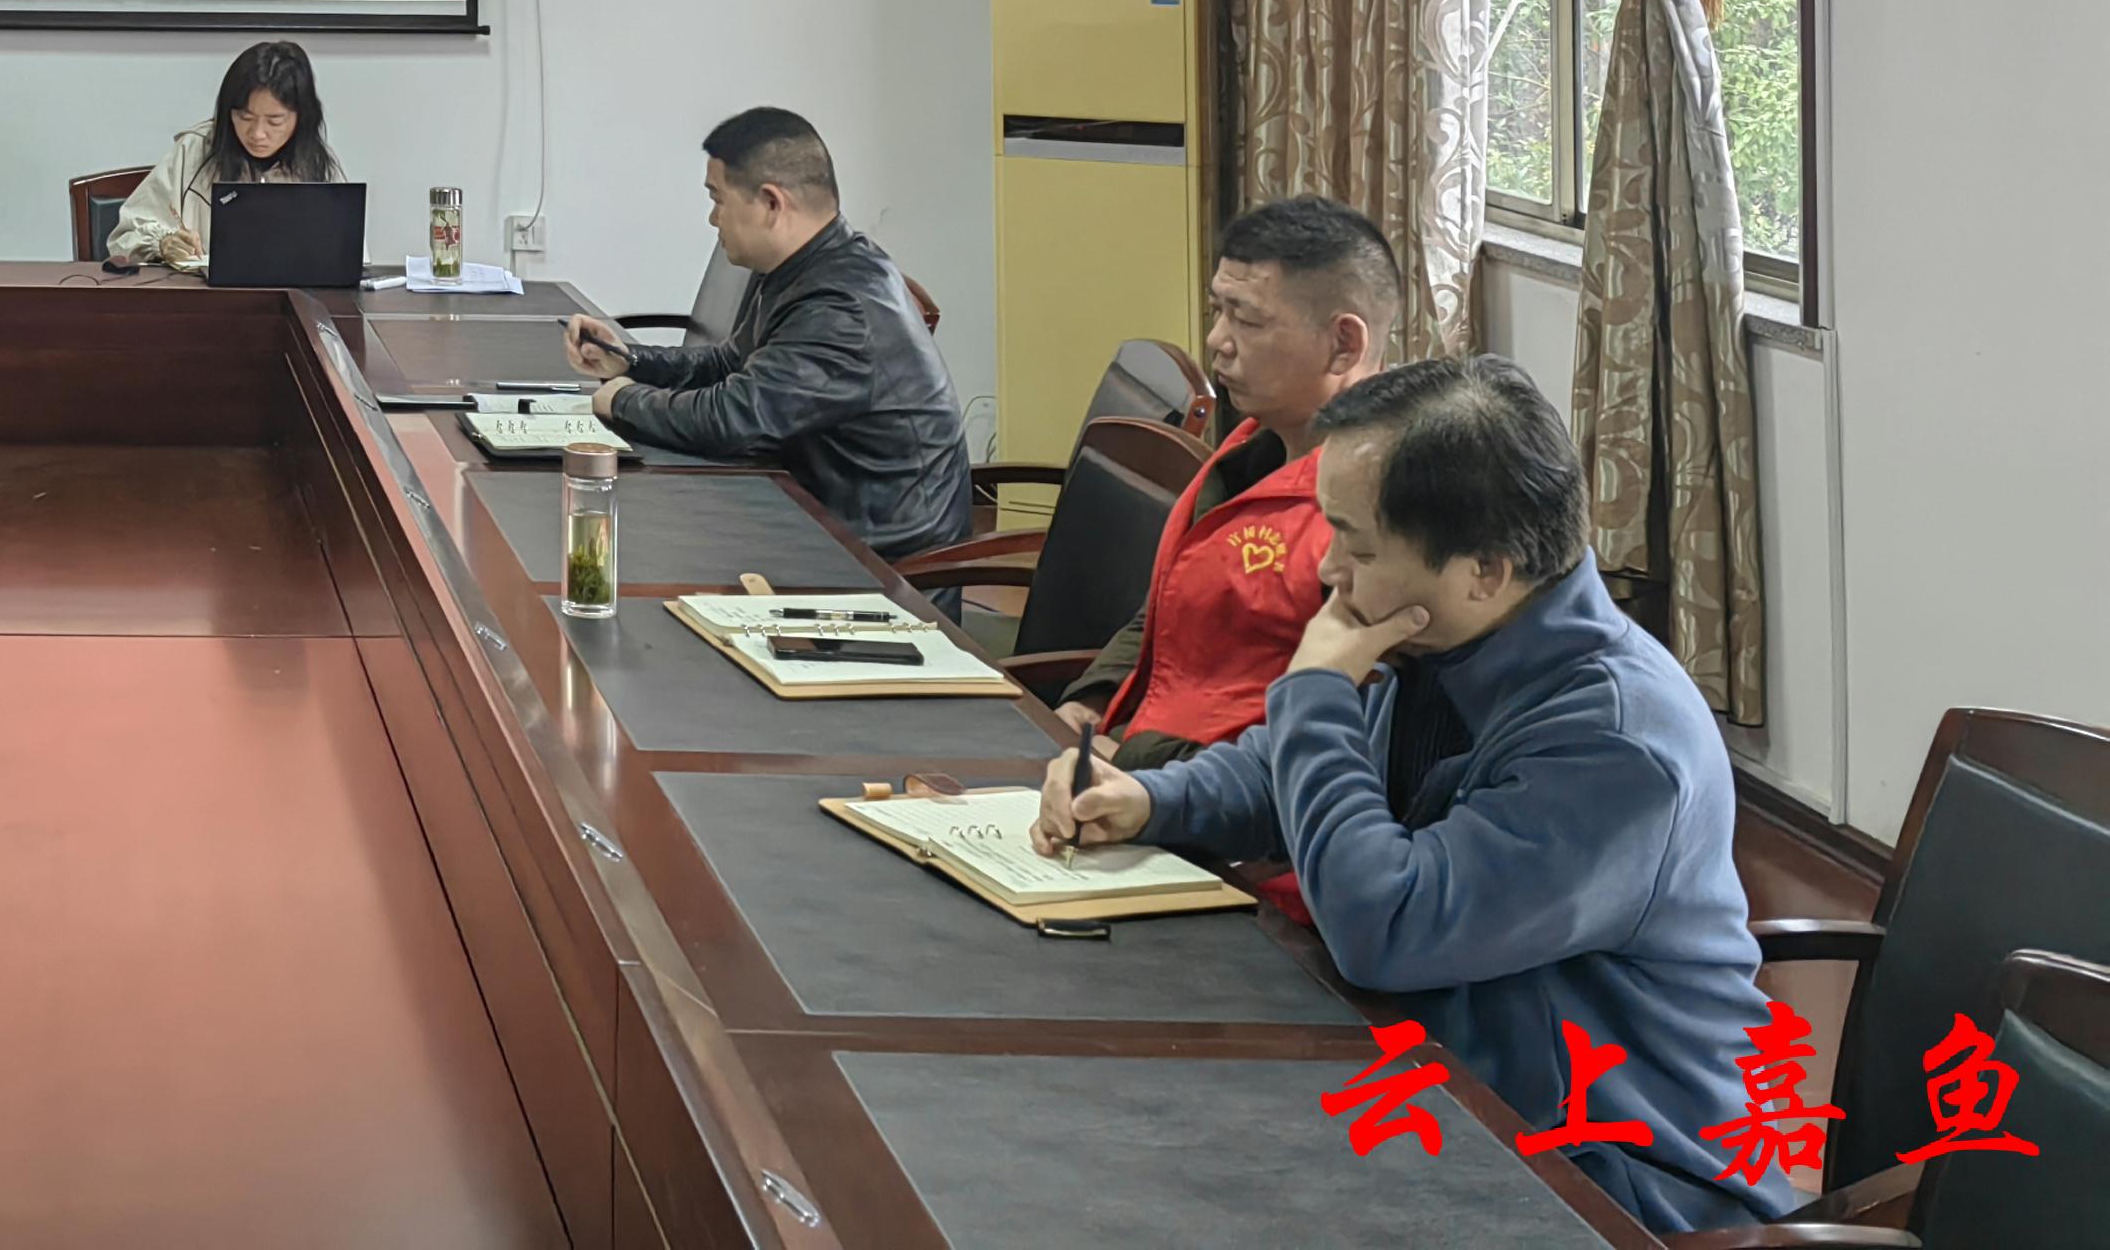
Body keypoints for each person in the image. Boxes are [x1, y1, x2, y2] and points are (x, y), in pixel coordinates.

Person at [1036, 356, 1789, 1230]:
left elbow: (1385, 928)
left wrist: (1315, 690)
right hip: (1447, 1092)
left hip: (1608, 1179)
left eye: (1357, 547)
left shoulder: (1616, 742)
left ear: (1485, 569)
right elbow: (1289, 773)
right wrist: (1151, 799)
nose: (1329, 571)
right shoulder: (1449, 638)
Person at [1052, 194, 1402, 770]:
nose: (1217, 339)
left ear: (1345, 345)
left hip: (1210, 802)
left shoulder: (1377, 517)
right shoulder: (1252, 445)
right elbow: (1171, 609)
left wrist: (1140, 766)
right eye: (1219, 310)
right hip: (1132, 764)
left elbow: (1328, 738)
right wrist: (1093, 701)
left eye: (1247, 319)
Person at [560, 108, 972, 563]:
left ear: (772, 204)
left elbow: (733, 420)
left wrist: (622, 400)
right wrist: (632, 362)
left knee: (643, 551)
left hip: (882, 568)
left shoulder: (840, 306)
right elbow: (729, 364)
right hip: (817, 523)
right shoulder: (808, 266)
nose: (713, 218)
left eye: (718, 199)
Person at [106, 40, 339, 274]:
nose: (257, 134)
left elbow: (345, 256)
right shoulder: (195, 150)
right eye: (245, 117)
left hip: (289, 295)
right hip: (201, 294)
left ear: (301, 118)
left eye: (274, 121)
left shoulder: (315, 165)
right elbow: (123, 239)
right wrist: (162, 243)